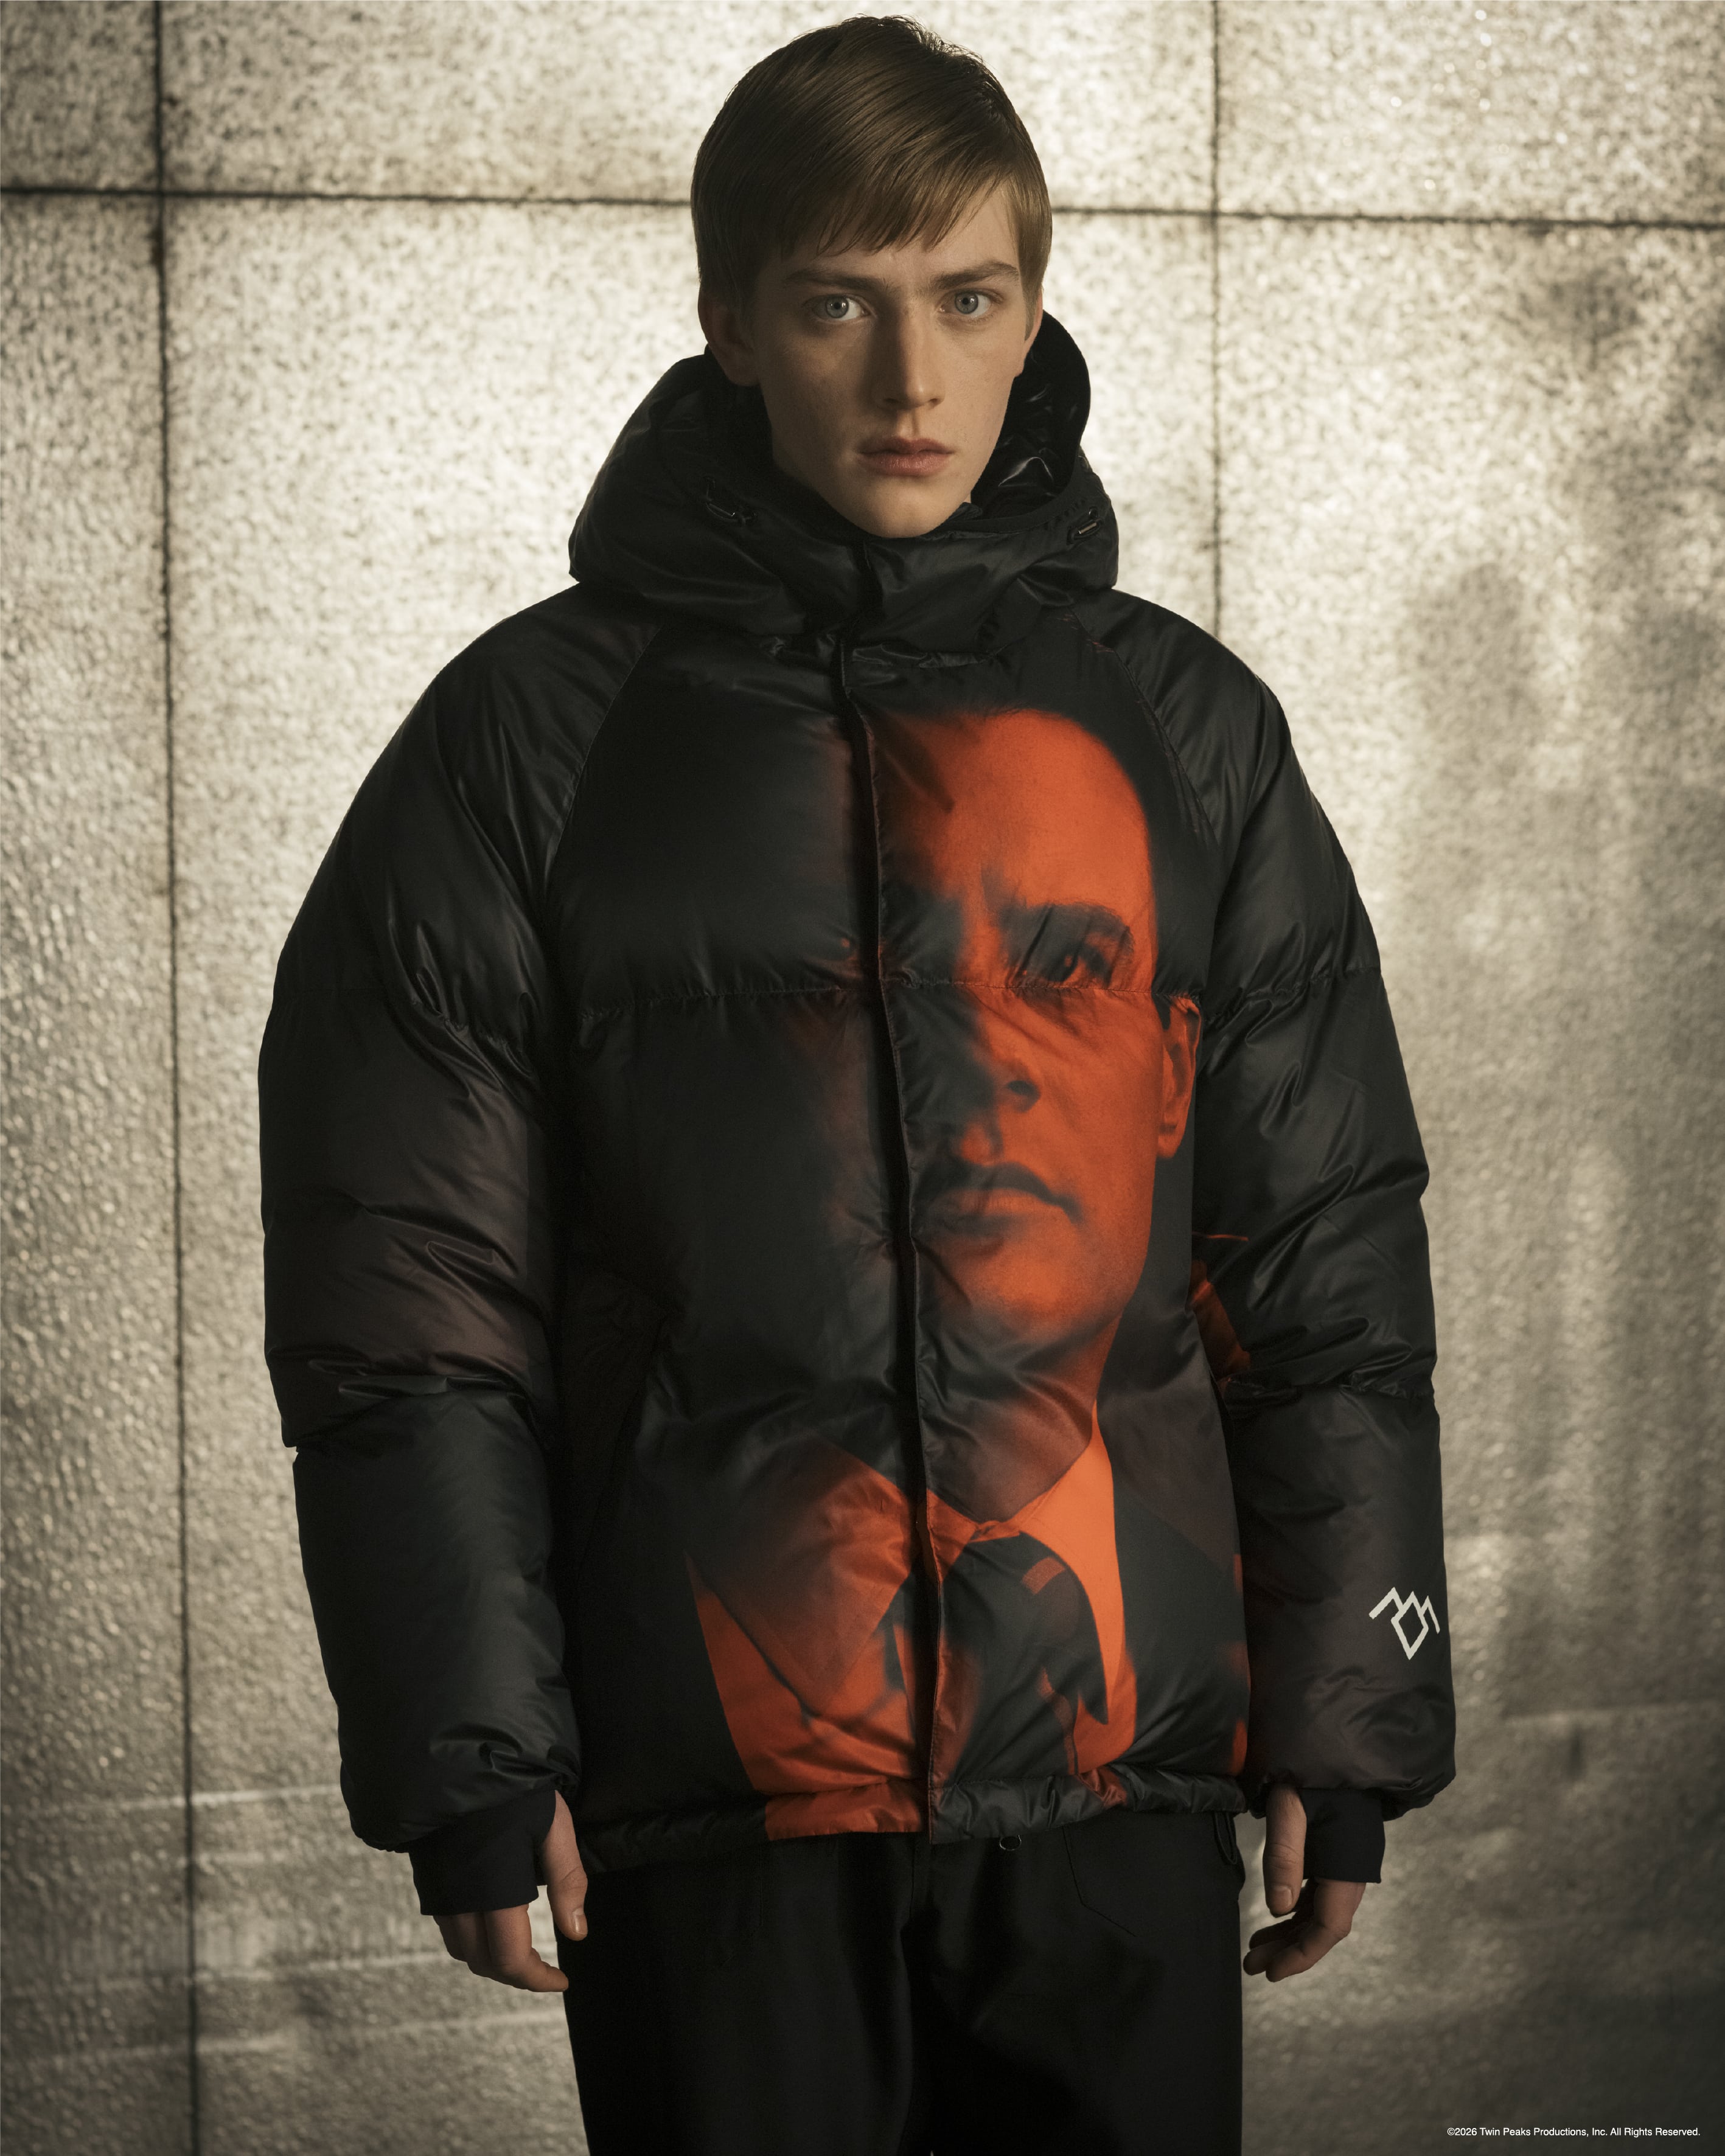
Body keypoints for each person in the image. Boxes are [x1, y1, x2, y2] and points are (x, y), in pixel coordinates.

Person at [259, 17, 1455, 2154]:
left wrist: (1346, 1713)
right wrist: (471, 1755)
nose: (912, 377)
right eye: (839, 303)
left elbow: (1317, 1259)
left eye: (968, 300)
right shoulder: (527, 743)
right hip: (717, 1813)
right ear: (730, 323)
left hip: (1119, 1792)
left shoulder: (1188, 734)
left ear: (1031, 317)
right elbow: (409, 1306)